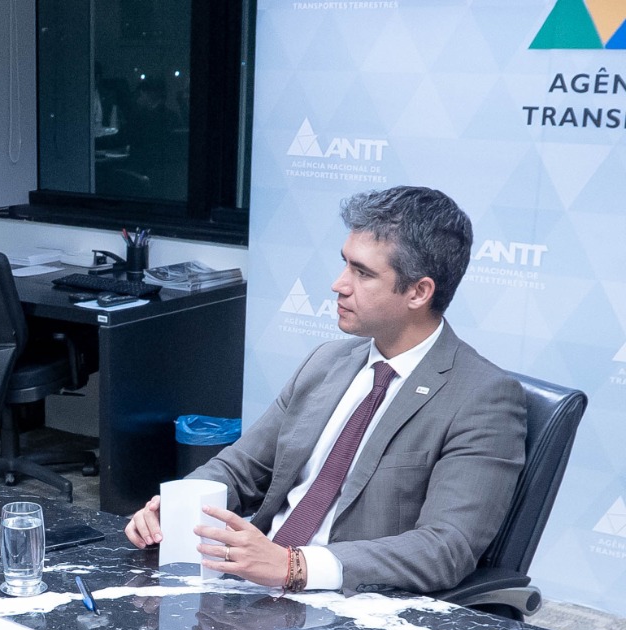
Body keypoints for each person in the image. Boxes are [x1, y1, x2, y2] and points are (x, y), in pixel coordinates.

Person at [124, 186, 526, 595]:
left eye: (363, 273)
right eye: (344, 264)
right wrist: (178, 506)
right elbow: (240, 468)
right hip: (251, 586)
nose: (339, 285)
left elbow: (445, 548)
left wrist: (295, 566)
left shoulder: (482, 398)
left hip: (351, 606)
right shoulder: (326, 362)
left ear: (419, 292)